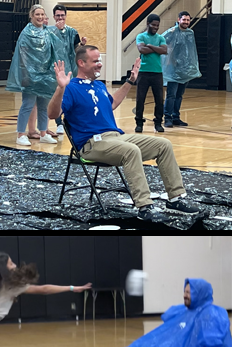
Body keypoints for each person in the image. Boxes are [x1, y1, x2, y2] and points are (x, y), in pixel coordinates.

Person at [48, 46, 200, 222]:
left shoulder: (98, 85)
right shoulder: (71, 88)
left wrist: (130, 81)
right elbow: (53, 114)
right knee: (131, 150)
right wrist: (60, 89)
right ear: (81, 63)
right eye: (95, 61)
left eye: (100, 60)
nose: (100, 64)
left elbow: (111, 104)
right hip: (92, 144)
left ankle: (175, 198)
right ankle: (144, 206)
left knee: (163, 145)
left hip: (115, 137)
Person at [7, 4, 60, 146]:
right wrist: (26, 74)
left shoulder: (48, 32)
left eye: (42, 14)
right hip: (30, 75)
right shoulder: (26, 33)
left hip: (45, 76)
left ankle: (43, 133)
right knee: (28, 104)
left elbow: (53, 52)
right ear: (31, 16)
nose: (40, 17)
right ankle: (21, 134)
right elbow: (23, 55)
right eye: (37, 14)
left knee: (44, 105)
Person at [48, 4, 87, 134]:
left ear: (66, 16)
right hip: (57, 67)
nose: (60, 18)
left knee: (71, 94)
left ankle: (71, 121)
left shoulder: (72, 32)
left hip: (71, 67)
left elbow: (76, 49)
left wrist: (82, 45)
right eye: (58, 16)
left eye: (62, 15)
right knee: (58, 94)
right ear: (54, 17)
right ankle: (59, 123)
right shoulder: (50, 32)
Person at [161, 11, 201, 128]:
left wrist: (192, 66)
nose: (186, 22)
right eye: (184, 20)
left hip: (184, 69)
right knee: (171, 95)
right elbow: (162, 41)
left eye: (188, 20)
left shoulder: (190, 33)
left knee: (179, 94)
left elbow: (191, 51)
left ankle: (176, 117)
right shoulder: (172, 32)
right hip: (173, 69)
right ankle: (167, 117)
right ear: (179, 19)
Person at [135, 14, 167, 133]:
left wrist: (150, 46)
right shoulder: (141, 36)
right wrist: (156, 48)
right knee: (140, 99)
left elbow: (164, 50)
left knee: (159, 99)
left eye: (157, 25)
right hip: (143, 72)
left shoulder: (161, 37)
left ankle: (158, 123)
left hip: (157, 73)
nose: (155, 27)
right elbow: (141, 50)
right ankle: (139, 123)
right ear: (147, 23)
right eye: (153, 24)